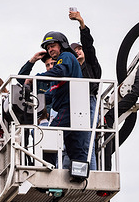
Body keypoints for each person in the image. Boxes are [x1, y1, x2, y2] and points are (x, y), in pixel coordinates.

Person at [35, 31, 89, 167]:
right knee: (74, 145)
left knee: (51, 135)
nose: (50, 49)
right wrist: (34, 101)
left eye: (52, 46)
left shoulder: (66, 56)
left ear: (62, 44)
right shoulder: (58, 76)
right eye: (48, 48)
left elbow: (60, 71)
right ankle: (80, 175)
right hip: (73, 110)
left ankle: (47, 168)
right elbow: (50, 94)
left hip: (69, 107)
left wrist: (37, 77)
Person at [65, 9, 102, 170]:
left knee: (88, 140)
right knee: (72, 141)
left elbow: (88, 45)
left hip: (89, 100)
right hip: (73, 104)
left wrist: (81, 23)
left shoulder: (91, 65)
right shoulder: (70, 71)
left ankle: (91, 172)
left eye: (79, 49)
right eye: (74, 51)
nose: (78, 51)